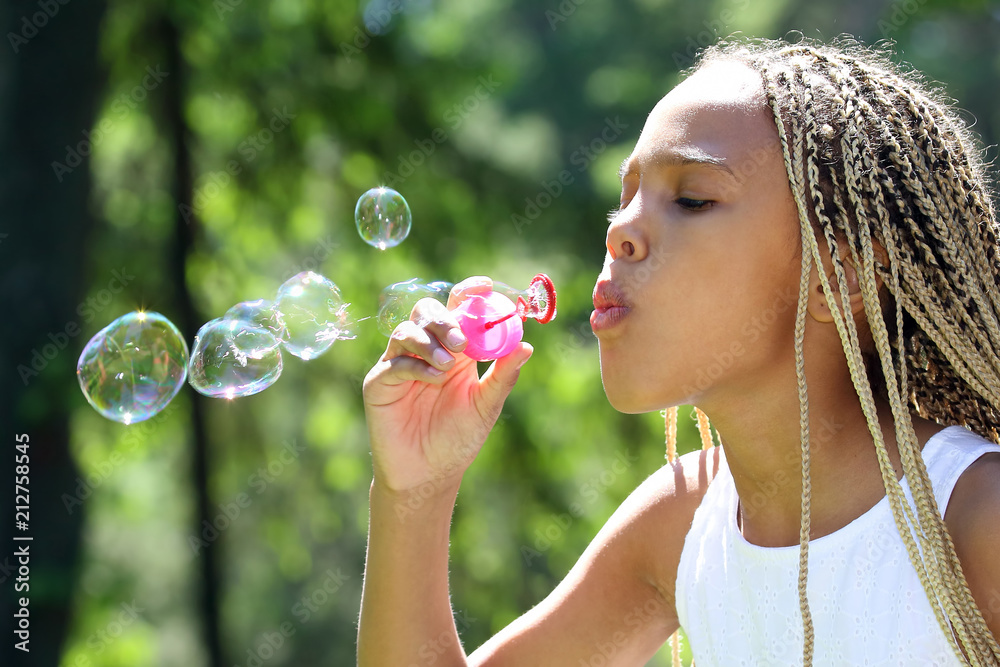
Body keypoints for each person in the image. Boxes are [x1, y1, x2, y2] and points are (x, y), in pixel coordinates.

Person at [356, 36, 1000, 666]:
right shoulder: (681, 525)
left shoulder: (977, 520)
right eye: (625, 197)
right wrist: (416, 488)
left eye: (691, 198)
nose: (621, 231)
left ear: (843, 277)